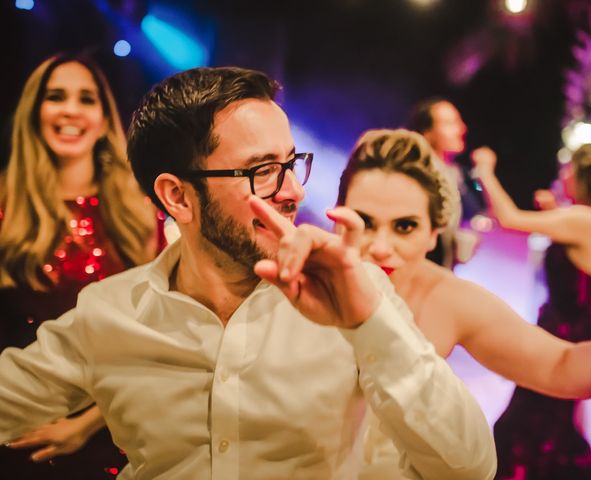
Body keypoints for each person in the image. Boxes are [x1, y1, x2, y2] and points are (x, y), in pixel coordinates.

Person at [0, 66, 497, 480]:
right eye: (261, 170)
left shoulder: (354, 293)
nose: (295, 192)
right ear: (177, 196)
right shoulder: (110, 312)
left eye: (290, 163)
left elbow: (470, 467)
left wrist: (371, 325)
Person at [334, 128, 591, 479]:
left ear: (434, 232)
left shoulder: (447, 297)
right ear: (336, 215)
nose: (381, 247)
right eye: (364, 222)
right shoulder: (292, 285)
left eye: (405, 227)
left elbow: (561, 365)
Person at [0, 53, 164, 478]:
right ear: (35, 110)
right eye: (56, 96)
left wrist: (85, 424)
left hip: (109, 433)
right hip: (13, 432)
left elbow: (158, 335)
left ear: (103, 116)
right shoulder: (4, 204)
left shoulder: (138, 212)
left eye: (86, 99)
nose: (71, 109)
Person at [472, 139, 591, 479]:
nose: (564, 175)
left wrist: (485, 170)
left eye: (569, 169)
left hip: (563, 340)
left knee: (524, 431)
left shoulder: (585, 220)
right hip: (579, 334)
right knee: (545, 427)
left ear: (587, 176)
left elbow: (509, 218)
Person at [405, 98, 485, 268]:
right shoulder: (418, 175)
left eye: (459, 122)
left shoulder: (452, 173)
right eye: (450, 123)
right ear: (427, 132)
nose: (462, 129)